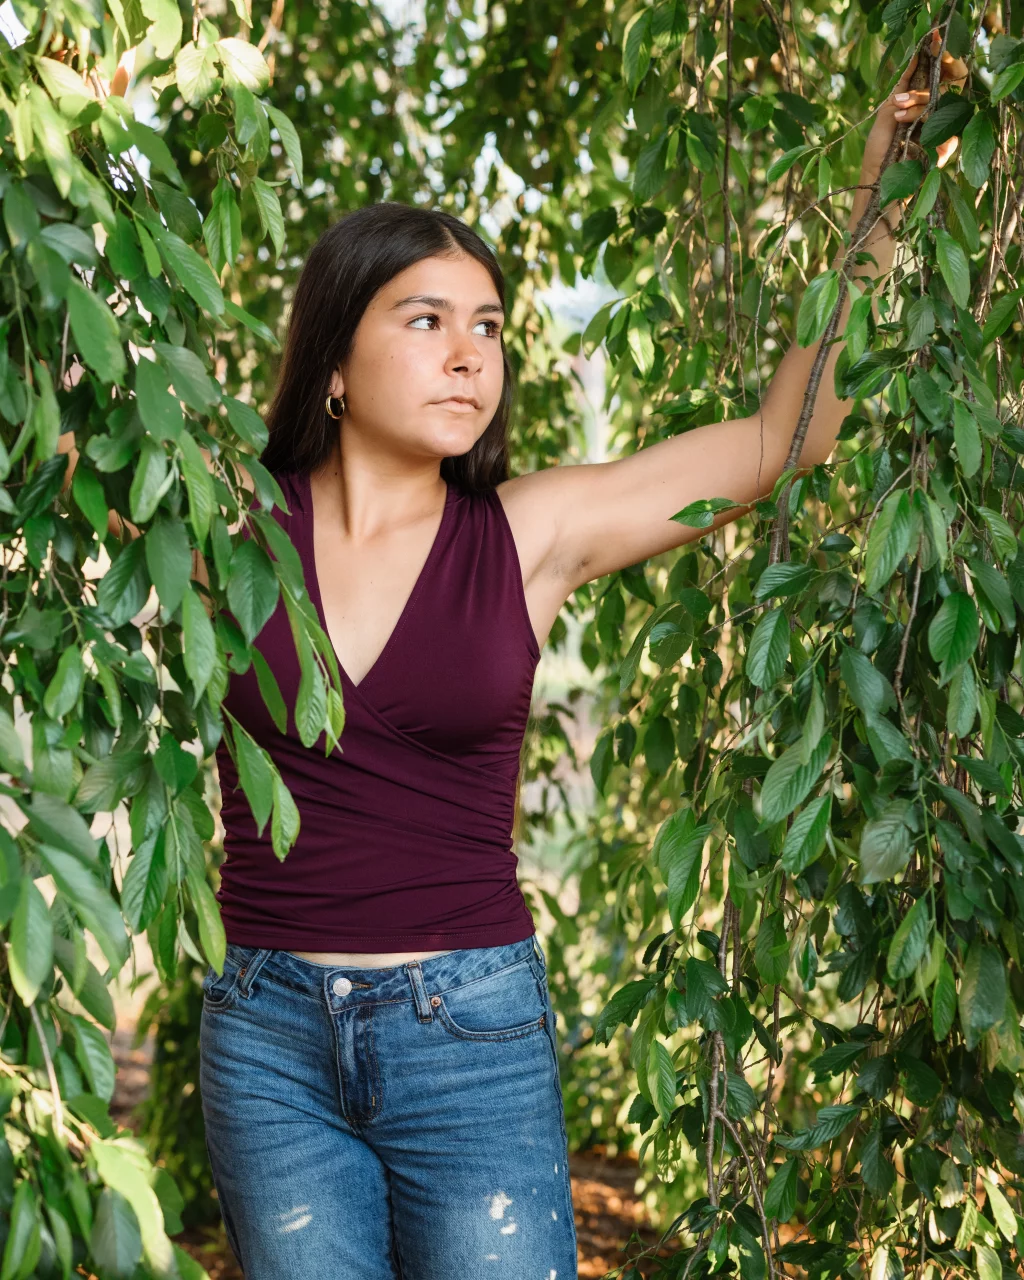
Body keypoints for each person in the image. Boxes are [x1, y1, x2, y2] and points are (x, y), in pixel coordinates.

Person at [57, 36, 964, 1280]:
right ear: (331, 357)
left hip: (466, 1030)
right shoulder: (222, 522)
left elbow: (782, 435)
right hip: (264, 1034)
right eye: (424, 319)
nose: (469, 351)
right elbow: (63, 415)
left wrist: (880, 193)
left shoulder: (527, 532)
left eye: (486, 324)